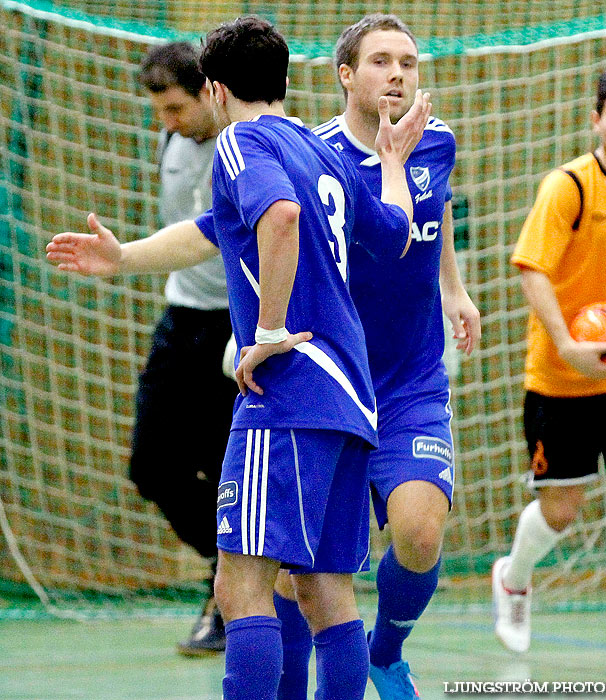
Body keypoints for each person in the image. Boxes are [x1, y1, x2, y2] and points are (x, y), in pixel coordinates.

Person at [47, 16, 432, 700]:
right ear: (285, 81)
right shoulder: (325, 154)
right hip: (351, 398)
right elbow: (394, 232)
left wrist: (270, 331)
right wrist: (126, 257)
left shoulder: (240, 143)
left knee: (241, 584)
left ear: (216, 90)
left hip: (288, 391)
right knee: (322, 589)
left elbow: (276, 217)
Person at [271, 14, 481, 700]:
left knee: (420, 532)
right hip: (330, 381)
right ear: (345, 75)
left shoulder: (436, 140)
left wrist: (454, 288)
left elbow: (436, 209)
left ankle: (384, 653)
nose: (398, 75)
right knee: (289, 568)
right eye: (381, 62)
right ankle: (284, 682)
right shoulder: (313, 155)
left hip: (410, 381)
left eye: (408, 63)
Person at [493, 66, 606, 665]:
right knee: (560, 510)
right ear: (596, 120)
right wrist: (568, 345)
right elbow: (532, 268)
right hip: (561, 376)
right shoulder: (567, 187)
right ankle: (514, 578)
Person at [137, 42, 239, 656]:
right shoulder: (171, 140)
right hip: (184, 320)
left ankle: (232, 594)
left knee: (231, 470)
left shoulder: (245, 149)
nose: (167, 122)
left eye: (175, 107)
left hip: (239, 325)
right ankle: (231, 568)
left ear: (209, 91)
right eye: (159, 111)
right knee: (151, 465)